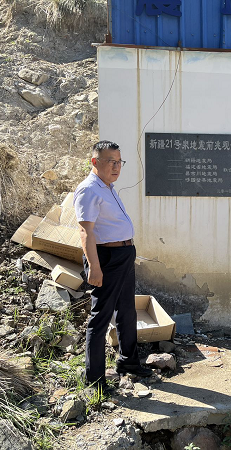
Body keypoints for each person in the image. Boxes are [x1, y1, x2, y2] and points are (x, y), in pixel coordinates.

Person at [74, 140, 153, 389]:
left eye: (119, 162)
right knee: (101, 316)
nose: (117, 167)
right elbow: (86, 232)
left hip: (123, 255)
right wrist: (94, 267)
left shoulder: (107, 187)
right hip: (106, 258)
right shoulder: (89, 189)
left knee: (127, 310)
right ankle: (95, 379)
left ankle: (128, 362)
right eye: (111, 162)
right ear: (94, 162)